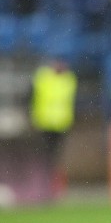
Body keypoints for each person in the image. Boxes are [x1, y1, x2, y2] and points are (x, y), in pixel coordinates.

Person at [29, 56, 77, 197]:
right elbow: (32, 96)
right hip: (44, 123)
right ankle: (44, 186)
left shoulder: (68, 79)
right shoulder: (43, 77)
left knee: (56, 157)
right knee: (45, 157)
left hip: (61, 124)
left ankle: (54, 187)